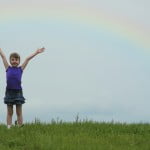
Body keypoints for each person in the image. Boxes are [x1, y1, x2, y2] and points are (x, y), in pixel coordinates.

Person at [0, 47, 45, 128]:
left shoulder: (20, 69)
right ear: (10, 61)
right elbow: (3, 56)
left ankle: (20, 127)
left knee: (19, 112)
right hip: (9, 92)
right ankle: (9, 127)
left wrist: (36, 52)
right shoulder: (7, 68)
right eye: (13, 60)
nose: (14, 61)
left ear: (19, 61)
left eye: (16, 60)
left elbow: (27, 59)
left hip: (18, 92)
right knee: (10, 112)